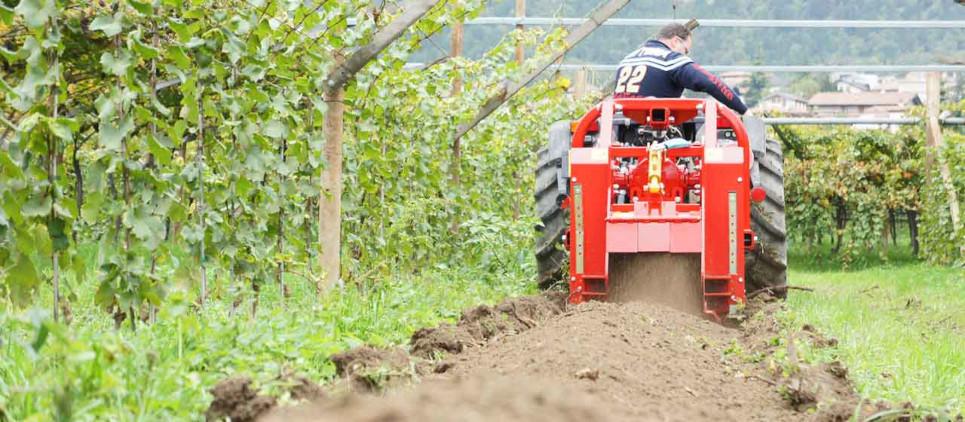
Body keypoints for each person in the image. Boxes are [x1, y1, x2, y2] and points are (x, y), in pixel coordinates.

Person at [614, 23, 748, 115]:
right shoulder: (670, 59)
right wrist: (743, 109)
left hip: (621, 125)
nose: (684, 55)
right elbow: (711, 82)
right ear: (676, 41)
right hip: (652, 127)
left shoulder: (627, 59)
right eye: (685, 50)